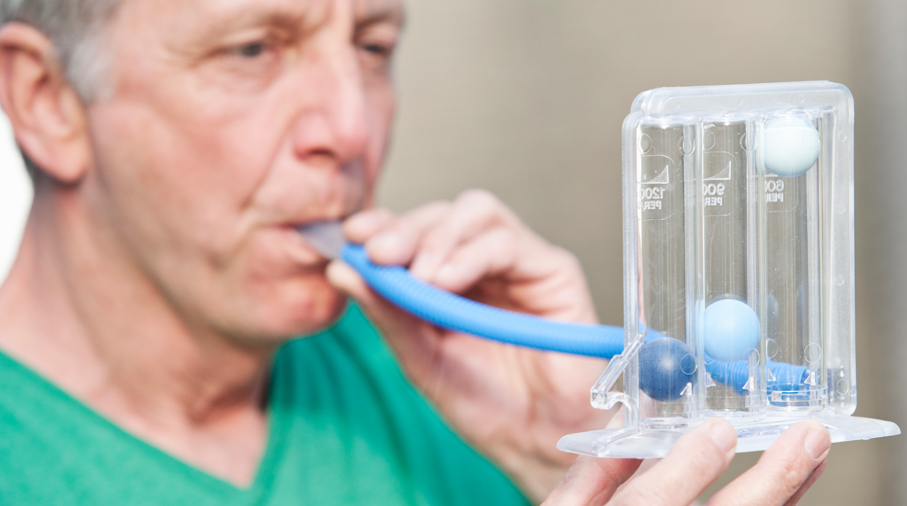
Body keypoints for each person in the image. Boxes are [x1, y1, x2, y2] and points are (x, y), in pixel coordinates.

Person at [0, 0, 831, 504]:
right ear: (45, 101)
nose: (353, 129)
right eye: (253, 48)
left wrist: (570, 452)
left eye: (371, 45)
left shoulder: (458, 378)